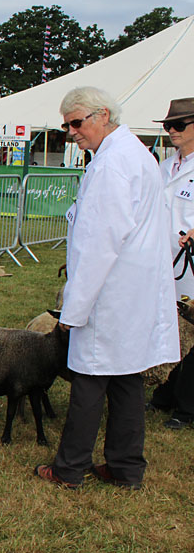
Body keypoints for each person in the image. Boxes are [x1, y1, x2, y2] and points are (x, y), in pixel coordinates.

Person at [35, 87, 179, 490]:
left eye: (77, 122)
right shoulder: (136, 154)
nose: (72, 132)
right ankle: (125, 467)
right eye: (66, 126)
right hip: (132, 289)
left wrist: (73, 311)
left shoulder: (112, 164)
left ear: (102, 115)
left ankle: (69, 468)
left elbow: (99, 244)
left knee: (90, 379)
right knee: (126, 379)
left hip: (111, 292)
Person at [148, 97, 194, 429]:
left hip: (191, 265)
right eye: (168, 126)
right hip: (164, 264)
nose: (172, 131)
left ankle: (185, 406)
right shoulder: (164, 166)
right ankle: (168, 395)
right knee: (168, 331)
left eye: (178, 125)